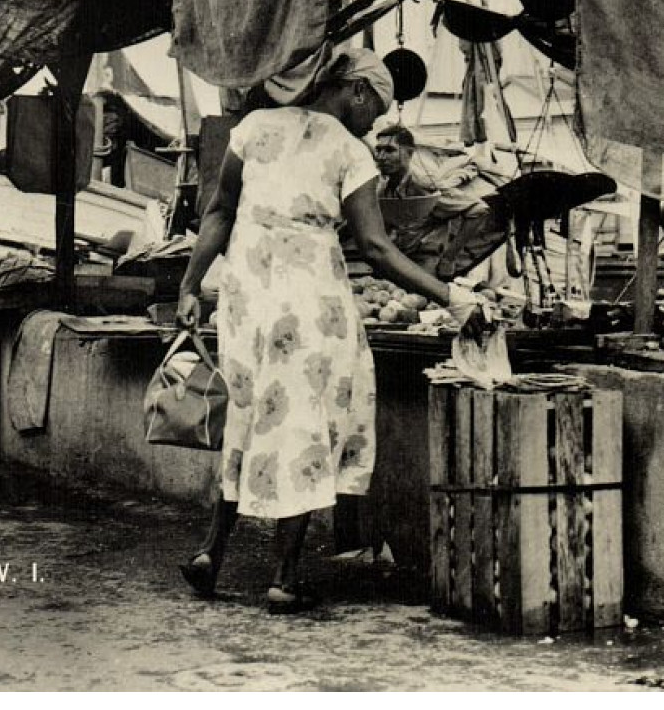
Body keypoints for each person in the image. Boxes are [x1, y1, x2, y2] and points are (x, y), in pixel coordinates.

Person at [175, 47, 482, 614]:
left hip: (248, 295)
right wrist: (450, 295)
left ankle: (211, 554)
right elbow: (376, 246)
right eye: (377, 109)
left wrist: (190, 287)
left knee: (251, 415)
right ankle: (284, 578)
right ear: (357, 92)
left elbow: (218, 211)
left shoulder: (252, 128)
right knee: (306, 425)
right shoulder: (349, 149)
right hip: (308, 299)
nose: (375, 123)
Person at [372, 124, 508, 280]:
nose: (381, 157)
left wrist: (449, 258)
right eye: (379, 150)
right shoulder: (383, 184)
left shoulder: (424, 184)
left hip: (424, 259)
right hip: (397, 256)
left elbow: (478, 210)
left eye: (389, 150)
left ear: (409, 153)